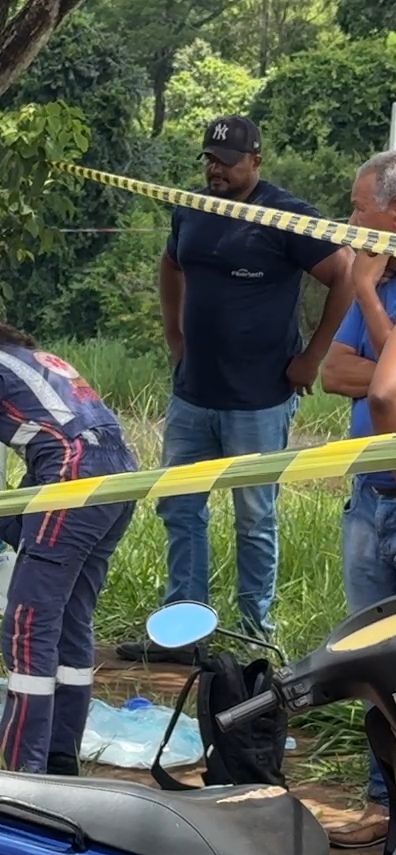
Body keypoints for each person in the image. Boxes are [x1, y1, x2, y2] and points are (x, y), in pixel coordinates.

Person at [120, 116, 353, 659]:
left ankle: (254, 637)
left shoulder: (285, 214)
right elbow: (172, 263)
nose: (214, 168)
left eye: (226, 160)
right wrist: (173, 333)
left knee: (254, 517)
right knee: (180, 511)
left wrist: (311, 359)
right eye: (209, 158)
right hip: (192, 395)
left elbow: (344, 273)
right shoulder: (193, 207)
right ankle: (184, 635)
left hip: (259, 399)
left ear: (256, 160)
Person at [0, 286, 137, 776]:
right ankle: (60, 753)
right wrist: (6, 530)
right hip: (120, 473)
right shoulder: (28, 357)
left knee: (27, 623)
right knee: (71, 618)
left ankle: (21, 766)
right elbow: (41, 466)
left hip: (73, 476)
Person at [319, 150, 396, 850]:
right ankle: (381, 799)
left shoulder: (379, 283)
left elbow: (385, 395)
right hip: (371, 500)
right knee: (372, 661)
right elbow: (333, 373)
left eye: (359, 208)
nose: (351, 222)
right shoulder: (383, 278)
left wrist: (370, 297)